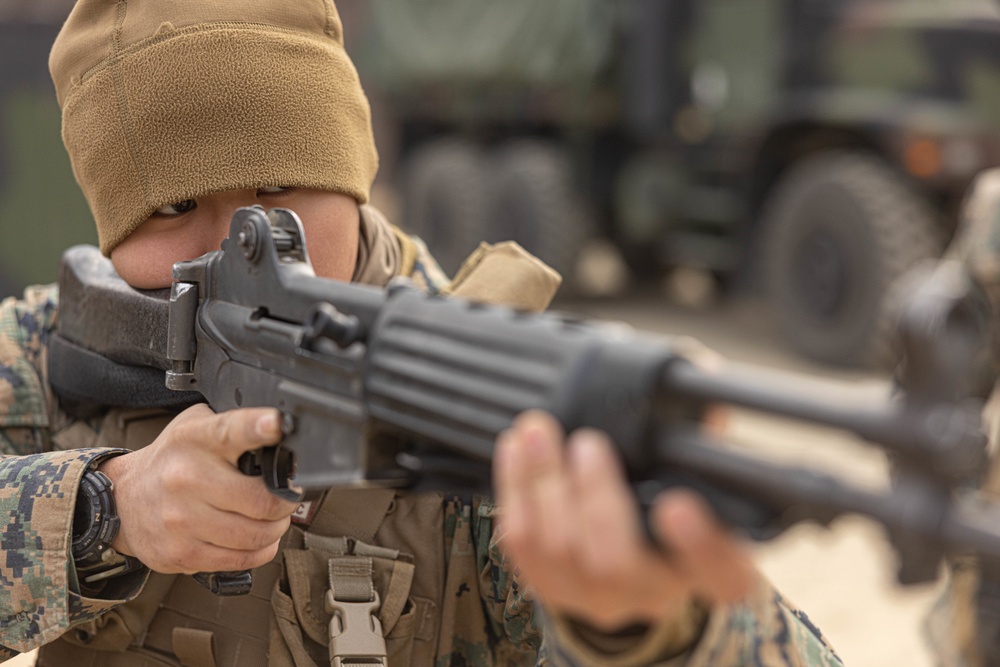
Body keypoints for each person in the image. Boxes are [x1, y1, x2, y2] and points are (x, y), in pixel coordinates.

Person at [0, 1, 843, 665]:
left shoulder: (478, 390)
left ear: (354, 179)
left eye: (277, 185)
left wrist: (652, 631)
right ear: (110, 234)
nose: (238, 241)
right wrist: (104, 511)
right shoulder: (48, 352)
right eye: (174, 207)